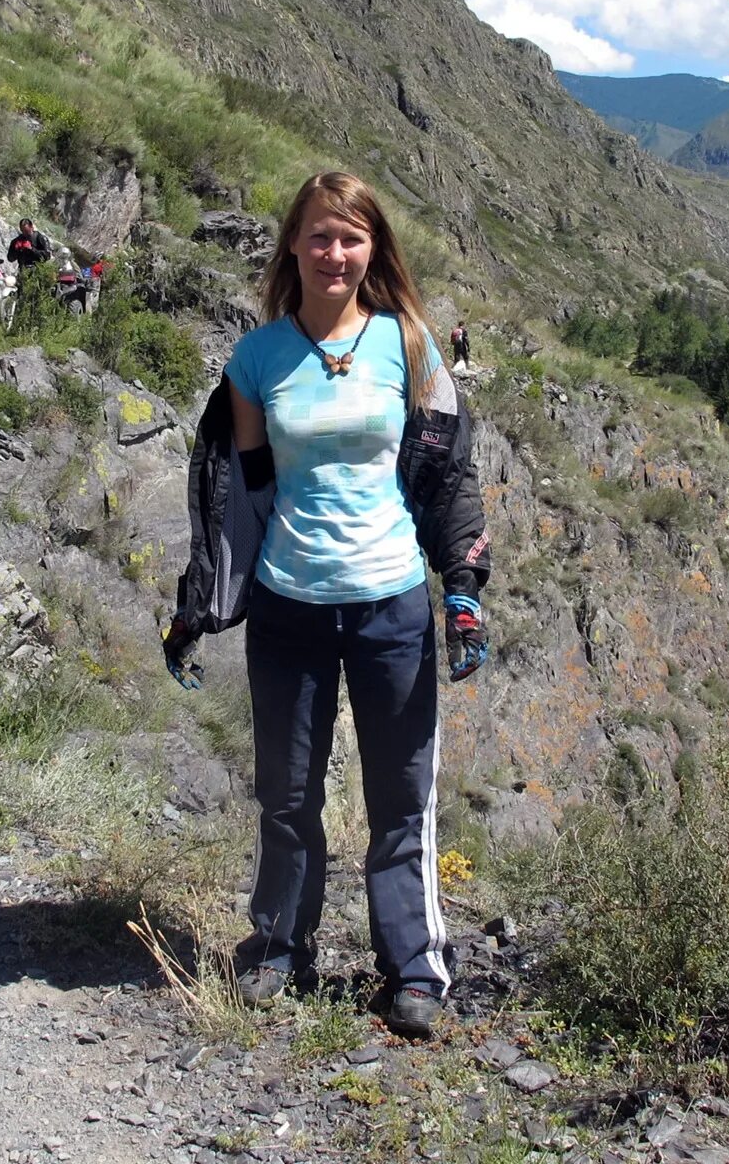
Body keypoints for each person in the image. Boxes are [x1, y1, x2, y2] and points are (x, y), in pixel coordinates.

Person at [163, 171, 492, 1041]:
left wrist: (462, 589)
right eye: (318, 236)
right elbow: (241, 491)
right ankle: (278, 947)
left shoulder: (410, 346)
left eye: (350, 237)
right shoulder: (257, 359)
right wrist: (203, 603)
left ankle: (414, 967)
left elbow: (450, 479)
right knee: (285, 791)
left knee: (402, 797)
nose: (334, 253)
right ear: (294, 248)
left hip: (390, 607)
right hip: (289, 606)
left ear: (372, 248)